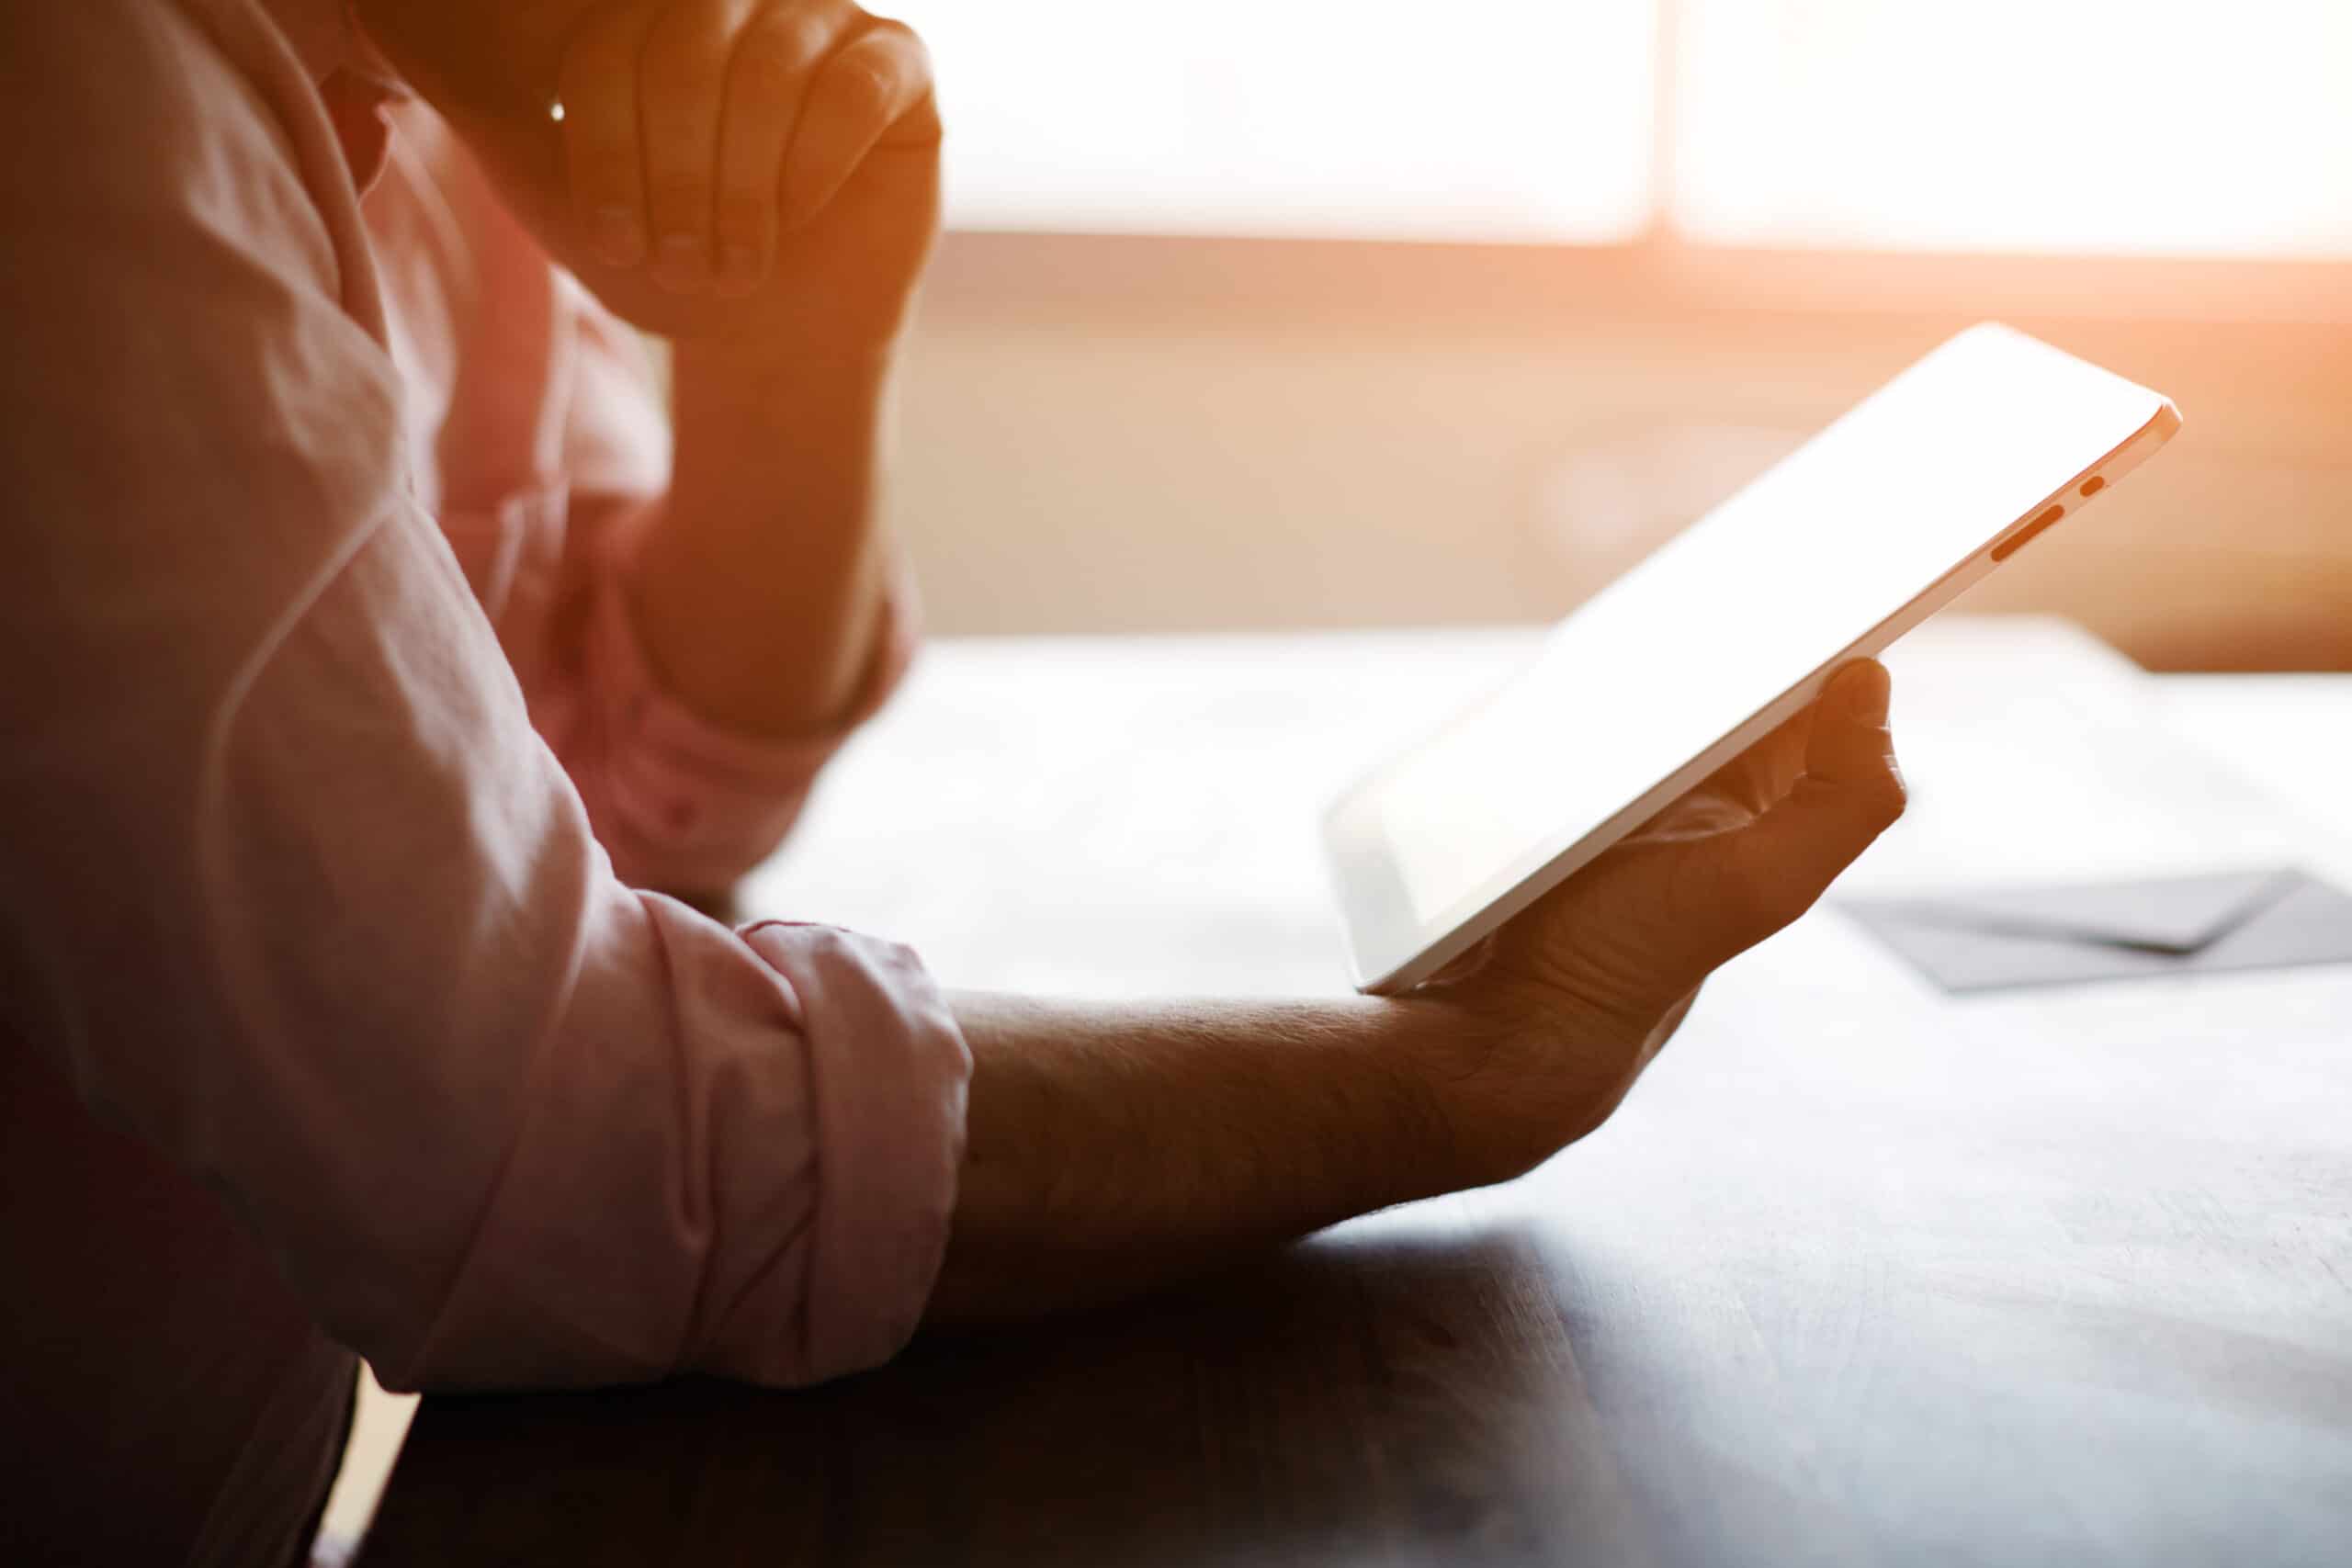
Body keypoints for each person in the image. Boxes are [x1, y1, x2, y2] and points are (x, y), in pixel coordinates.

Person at [0, 2, 1908, 1562]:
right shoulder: (77, 102)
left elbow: (640, 788)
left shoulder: (456, 89)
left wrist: (794, 350)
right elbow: (541, 1128)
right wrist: (1458, 1069)